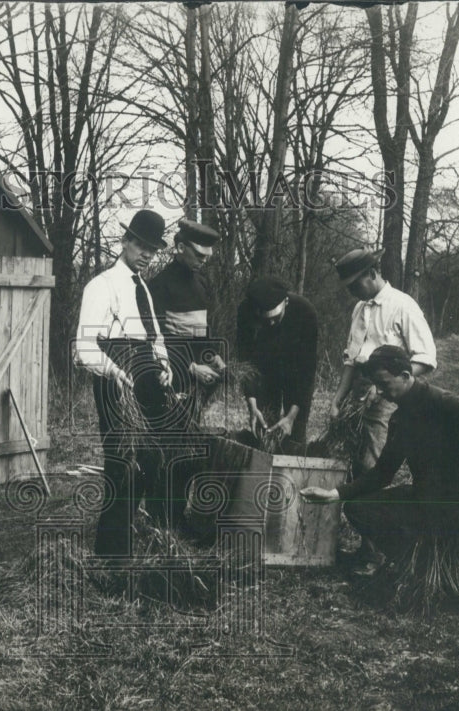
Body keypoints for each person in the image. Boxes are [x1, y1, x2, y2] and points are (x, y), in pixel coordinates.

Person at [301, 345, 459, 573]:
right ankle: (413, 563)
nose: (379, 392)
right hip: (428, 500)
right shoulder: (400, 418)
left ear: (406, 376)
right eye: (376, 385)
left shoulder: (441, 402)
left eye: (384, 384)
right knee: (358, 508)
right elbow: (383, 473)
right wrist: (335, 494)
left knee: (441, 581)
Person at [328, 247, 437, 565]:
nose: (351, 292)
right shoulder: (359, 309)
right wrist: (337, 399)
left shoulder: (402, 306)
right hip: (358, 395)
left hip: (388, 397)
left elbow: (426, 359)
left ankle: (375, 551)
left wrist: (384, 386)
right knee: (346, 463)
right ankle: (358, 540)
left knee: (372, 466)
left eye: (355, 284)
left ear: (373, 274)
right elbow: (352, 359)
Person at [74, 210, 173, 557]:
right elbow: (84, 348)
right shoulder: (101, 286)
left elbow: (155, 339)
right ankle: (111, 552)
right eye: (142, 246)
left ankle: (132, 531)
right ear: (126, 242)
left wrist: (164, 367)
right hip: (115, 383)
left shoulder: (143, 288)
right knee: (122, 462)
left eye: (153, 249)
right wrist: (114, 372)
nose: (147, 254)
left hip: (147, 380)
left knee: (154, 458)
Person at [147, 219, 224, 532]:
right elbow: (157, 341)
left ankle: (179, 516)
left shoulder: (201, 284)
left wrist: (214, 358)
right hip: (170, 381)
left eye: (208, 255)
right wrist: (191, 367)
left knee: (189, 450)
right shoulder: (158, 286)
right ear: (179, 248)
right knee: (167, 451)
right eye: (198, 253)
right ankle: (162, 520)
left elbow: (200, 335)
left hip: (197, 384)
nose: (204, 259)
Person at [235, 276, 319, 449]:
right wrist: (252, 404)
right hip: (264, 371)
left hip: (295, 371)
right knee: (263, 426)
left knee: (294, 432)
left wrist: (291, 417)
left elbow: (307, 370)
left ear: (286, 302)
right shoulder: (245, 311)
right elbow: (245, 361)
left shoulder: (306, 311)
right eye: (265, 321)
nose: (271, 323)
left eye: (276, 318)